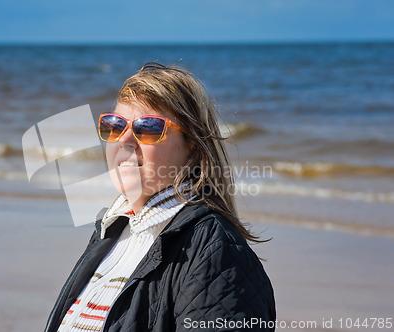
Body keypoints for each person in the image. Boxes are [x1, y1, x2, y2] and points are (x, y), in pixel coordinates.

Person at [45, 63, 276, 332]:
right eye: (115, 125)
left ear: (193, 146)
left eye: (149, 128)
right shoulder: (112, 230)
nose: (125, 140)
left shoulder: (215, 251)